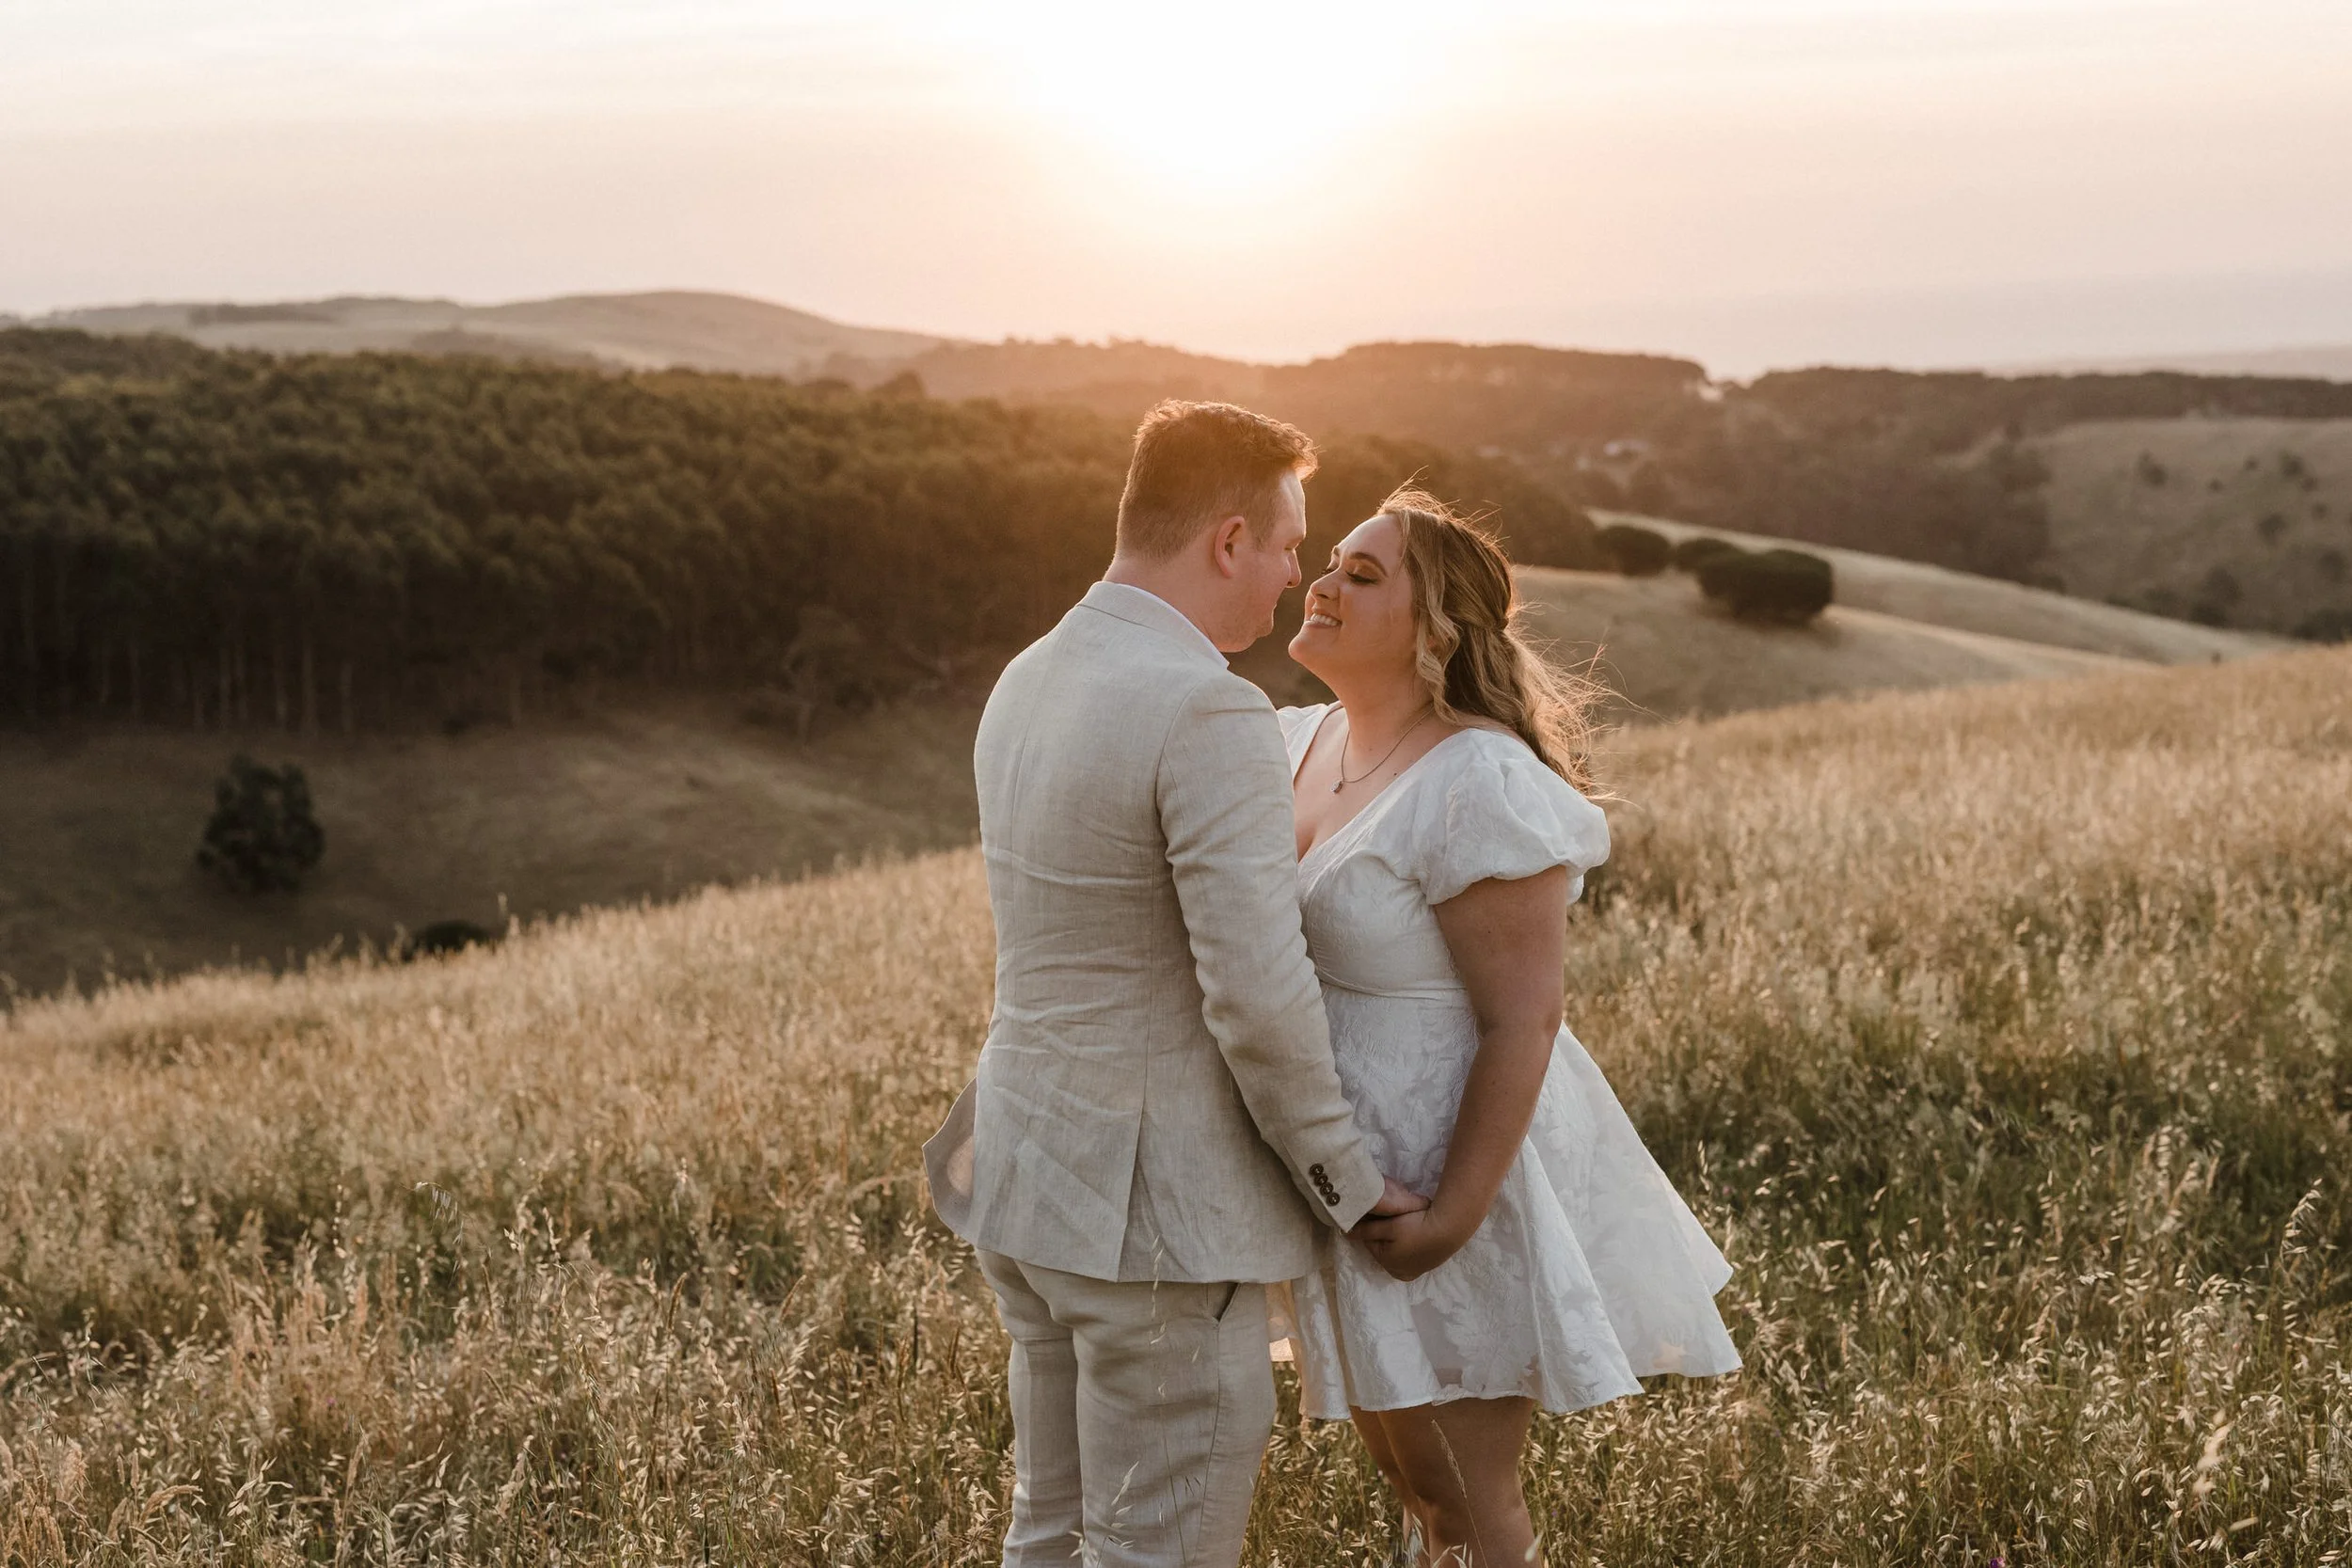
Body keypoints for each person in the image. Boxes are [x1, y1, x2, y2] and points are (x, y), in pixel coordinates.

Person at [924, 401, 1426, 1568]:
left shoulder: (1030, 672)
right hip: (1156, 1222)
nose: (1295, 577)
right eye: (1291, 546)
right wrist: (1345, 1182)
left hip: (1026, 1174)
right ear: (1229, 537)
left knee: (1046, 1536)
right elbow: (1252, 990)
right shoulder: (1203, 705)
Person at [1273, 489, 1742, 1566]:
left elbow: (1524, 1018)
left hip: (1447, 1164)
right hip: (1348, 1161)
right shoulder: (1297, 741)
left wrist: (1452, 1215)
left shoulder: (1476, 776)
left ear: (1436, 629)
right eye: (1331, 560)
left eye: (1363, 573)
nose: (1325, 581)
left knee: (1463, 1500)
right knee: (1407, 1480)